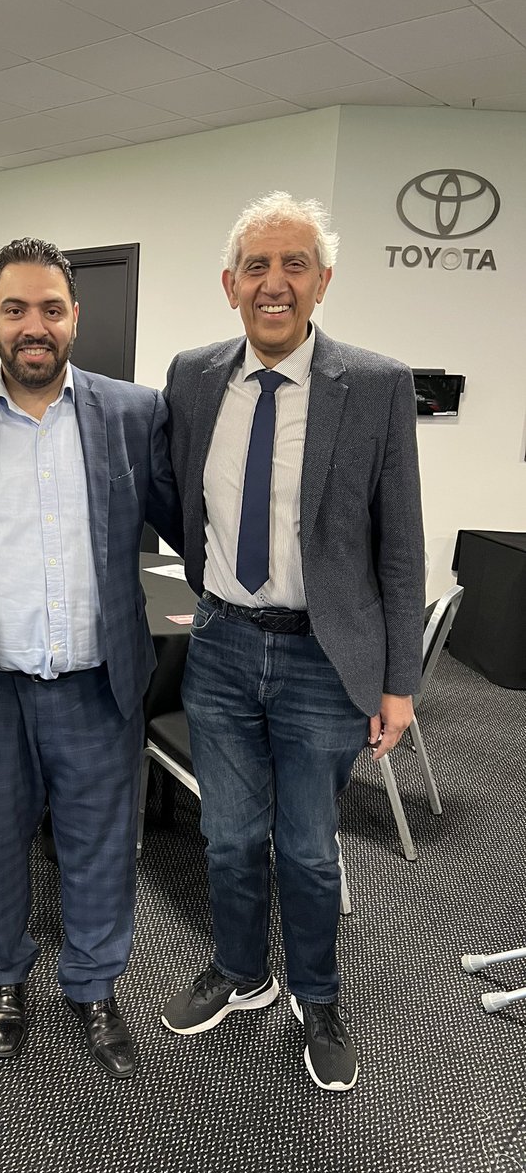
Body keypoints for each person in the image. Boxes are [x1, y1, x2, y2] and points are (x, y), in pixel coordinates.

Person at [160, 192, 425, 1092]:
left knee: (309, 848)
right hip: (224, 646)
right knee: (229, 838)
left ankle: (319, 998)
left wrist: (399, 682)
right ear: (230, 283)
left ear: (323, 282)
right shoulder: (194, 376)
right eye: (257, 268)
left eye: (295, 265)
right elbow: (176, 498)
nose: (275, 284)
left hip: (323, 658)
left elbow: (401, 545)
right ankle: (244, 974)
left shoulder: (378, 385)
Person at [0, 238, 181, 1080]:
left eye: (51, 309)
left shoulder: (134, 413)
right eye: (16, 309)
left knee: (102, 846)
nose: (35, 326)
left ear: (76, 317)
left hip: (98, 682)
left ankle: (94, 987)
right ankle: (2, 979)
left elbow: (192, 526)